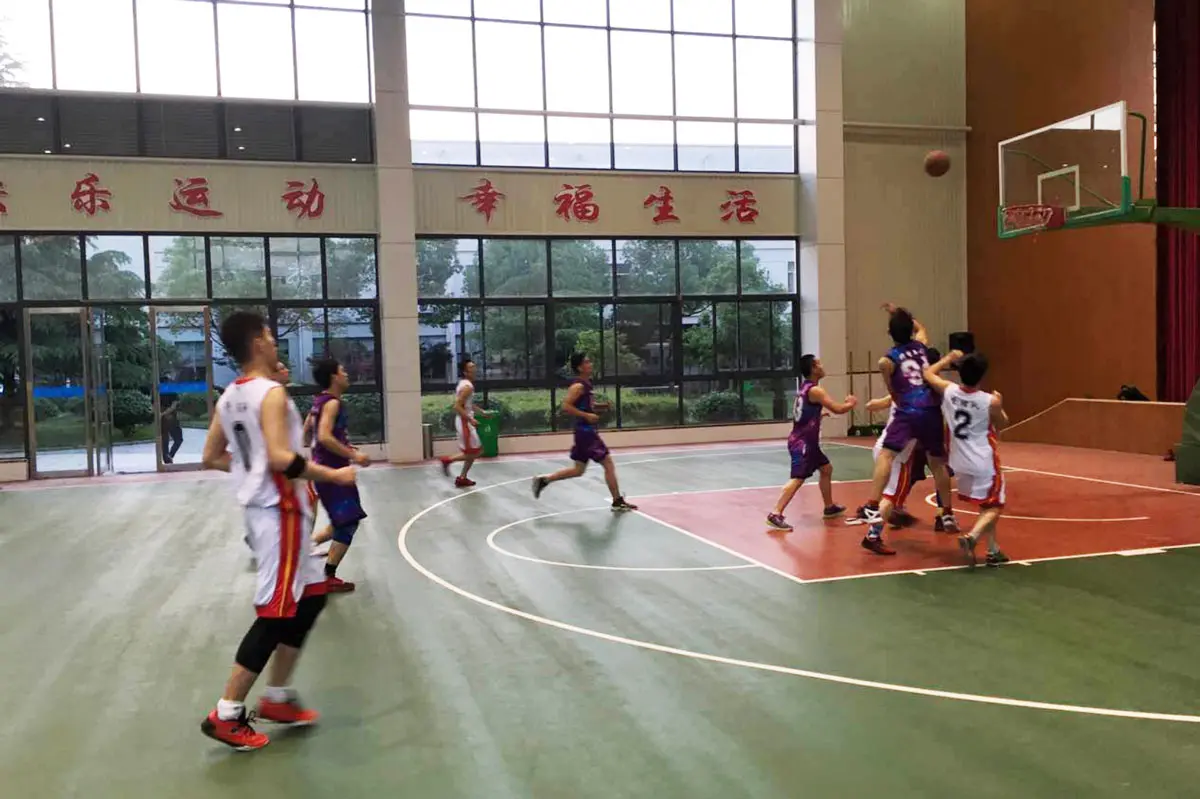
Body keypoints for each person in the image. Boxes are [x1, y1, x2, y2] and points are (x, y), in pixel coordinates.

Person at [199, 311, 357, 752]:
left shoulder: (231, 396)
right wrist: (334, 475)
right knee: (276, 611)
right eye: (269, 335)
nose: (274, 341)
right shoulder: (270, 394)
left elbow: (212, 455)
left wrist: (249, 471)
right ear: (257, 343)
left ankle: (277, 698)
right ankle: (227, 713)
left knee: (313, 596)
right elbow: (279, 458)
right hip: (280, 513)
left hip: (271, 511)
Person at [861, 305, 958, 555]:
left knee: (887, 460)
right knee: (936, 465)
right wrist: (902, 315)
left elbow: (890, 389)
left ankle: (871, 505)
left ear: (889, 333)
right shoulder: (923, 350)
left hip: (900, 423)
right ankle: (946, 512)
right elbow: (921, 328)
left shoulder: (888, 362)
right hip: (925, 417)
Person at [924, 350, 1011, 567]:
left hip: (958, 461)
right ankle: (972, 537)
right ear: (982, 375)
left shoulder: (949, 390)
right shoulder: (990, 401)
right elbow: (1003, 423)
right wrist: (1000, 404)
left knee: (986, 506)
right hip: (983, 460)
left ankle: (993, 549)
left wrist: (947, 359)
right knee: (995, 506)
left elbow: (928, 374)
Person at [531, 353, 636, 511]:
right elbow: (566, 406)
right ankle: (617, 501)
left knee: (578, 470)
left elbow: (585, 406)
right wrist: (586, 415)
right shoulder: (578, 386)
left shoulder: (586, 385)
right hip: (586, 432)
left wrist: (600, 407)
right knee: (608, 463)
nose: (590, 364)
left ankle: (544, 480)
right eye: (587, 362)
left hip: (583, 433)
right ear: (580, 367)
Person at [766, 355, 856, 530]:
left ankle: (829, 507)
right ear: (814, 368)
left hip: (808, 442)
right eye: (819, 364)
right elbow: (838, 409)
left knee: (826, 469)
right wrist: (850, 403)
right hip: (803, 443)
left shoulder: (805, 388)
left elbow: (803, 414)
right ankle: (775, 513)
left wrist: (817, 416)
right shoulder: (816, 391)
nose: (822, 366)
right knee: (798, 478)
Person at [308, 357, 371, 593]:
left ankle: (306, 546)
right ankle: (328, 576)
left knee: (341, 521)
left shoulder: (319, 401)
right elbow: (324, 437)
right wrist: (354, 456)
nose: (346, 374)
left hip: (327, 469)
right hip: (333, 473)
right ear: (334, 376)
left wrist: (345, 448)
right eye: (343, 370)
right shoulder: (332, 403)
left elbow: (311, 433)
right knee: (348, 522)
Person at [439, 359, 481, 488]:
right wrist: (470, 419)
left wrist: (481, 411)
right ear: (465, 372)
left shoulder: (464, 384)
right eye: (471, 368)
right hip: (464, 422)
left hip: (465, 421)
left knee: (474, 451)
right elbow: (457, 406)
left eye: (474, 367)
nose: (474, 370)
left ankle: (463, 478)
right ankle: (447, 460)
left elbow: (467, 404)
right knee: (475, 452)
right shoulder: (468, 387)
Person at [160, 393, 184, 464]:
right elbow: (173, 406)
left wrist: (160, 414)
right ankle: (169, 456)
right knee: (178, 439)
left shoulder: (155, 390)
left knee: (164, 439)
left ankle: (167, 459)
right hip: (171, 416)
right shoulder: (171, 390)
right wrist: (164, 413)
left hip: (161, 417)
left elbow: (153, 405)